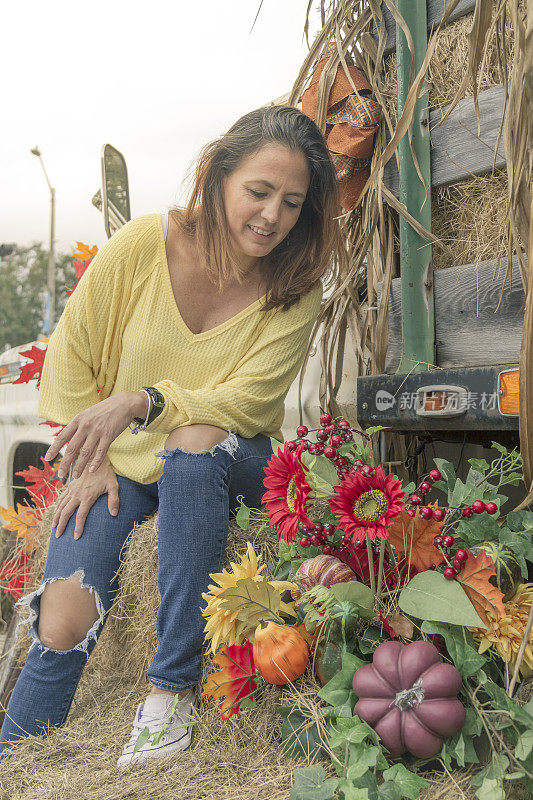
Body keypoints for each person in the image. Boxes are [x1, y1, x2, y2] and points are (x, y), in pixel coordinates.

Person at [0, 105, 339, 766]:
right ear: (216, 177)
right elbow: (69, 358)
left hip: (231, 458)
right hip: (123, 465)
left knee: (194, 439)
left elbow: (249, 399)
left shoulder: (296, 286)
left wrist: (145, 399)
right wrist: (93, 461)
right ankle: (15, 762)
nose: (272, 215)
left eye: (293, 202)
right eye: (259, 192)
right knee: (64, 621)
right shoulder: (143, 246)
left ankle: (168, 697)